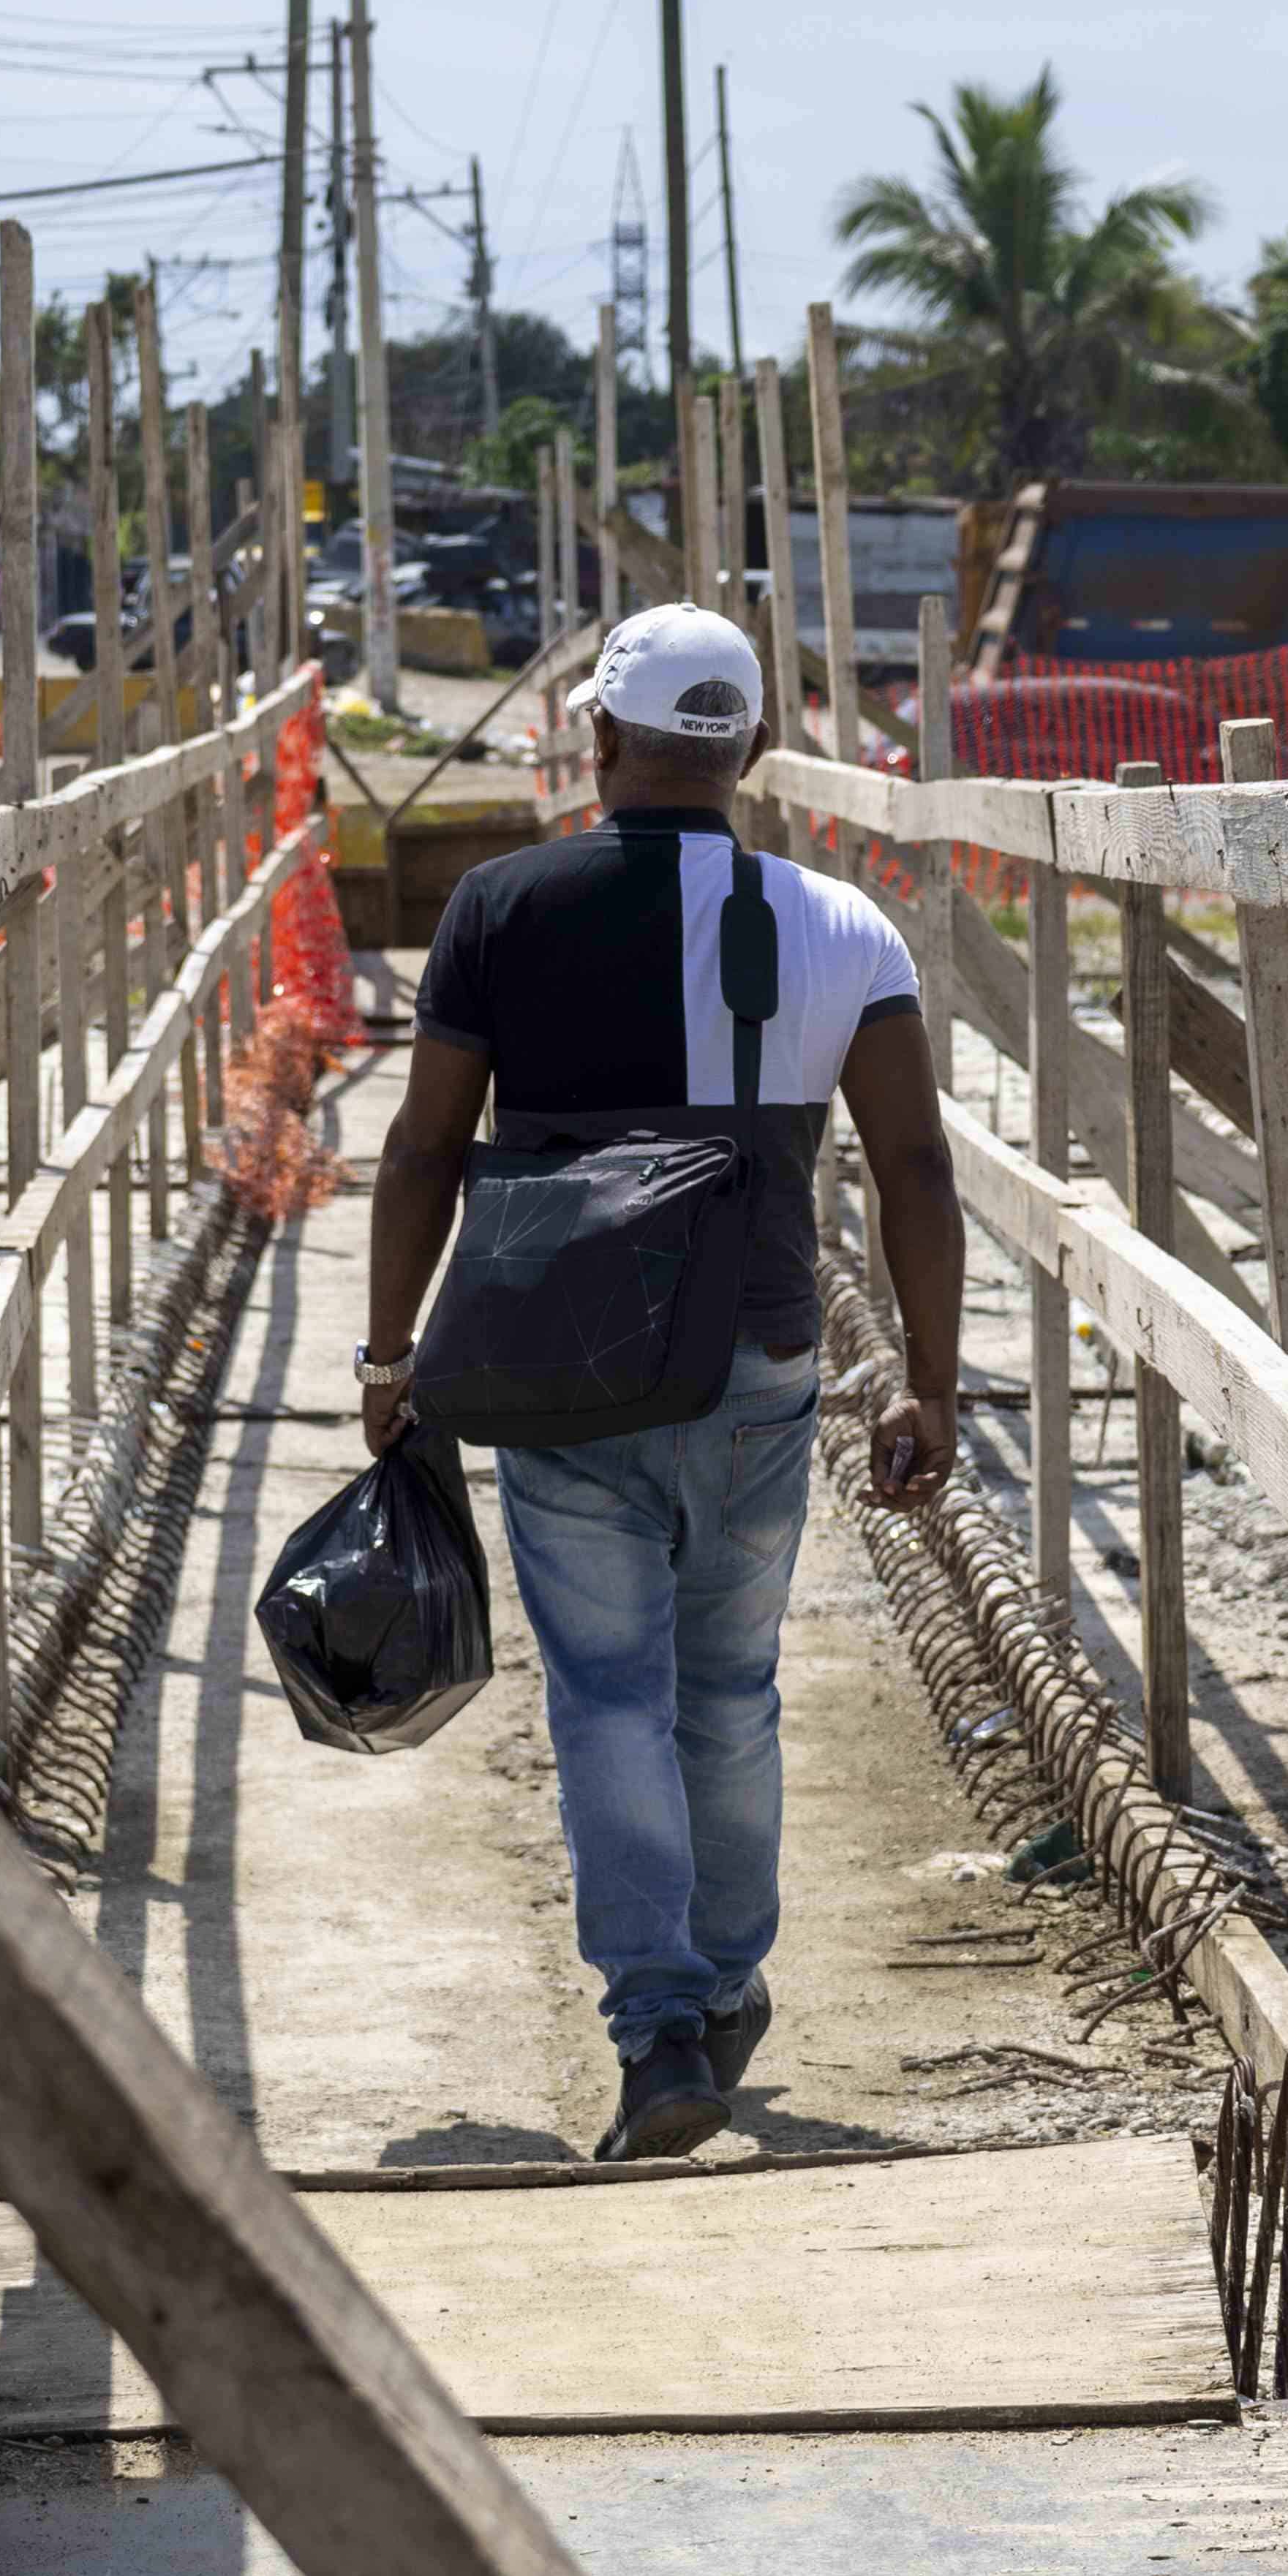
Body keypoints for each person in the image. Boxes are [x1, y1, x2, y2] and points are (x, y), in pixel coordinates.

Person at [354, 604, 974, 2161]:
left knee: (607, 1696)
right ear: (754, 750)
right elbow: (912, 1169)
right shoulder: (843, 929)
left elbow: (423, 1145)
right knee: (730, 1687)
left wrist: (386, 1353)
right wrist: (929, 1382)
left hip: (551, 1377)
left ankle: (658, 2031)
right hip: (758, 1360)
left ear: (596, 742)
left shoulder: (500, 909)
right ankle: (726, 1975)